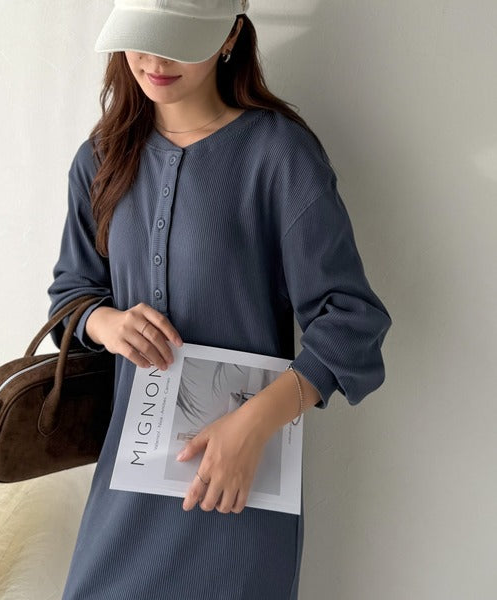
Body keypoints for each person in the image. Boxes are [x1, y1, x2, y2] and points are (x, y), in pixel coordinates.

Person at [47, 1, 392, 598]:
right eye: (142, 38)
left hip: (238, 488)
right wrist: (105, 323)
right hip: (126, 487)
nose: (155, 60)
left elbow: (352, 320)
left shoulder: (279, 156)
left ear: (230, 35)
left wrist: (254, 424)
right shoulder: (101, 159)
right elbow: (70, 294)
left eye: (178, 41)